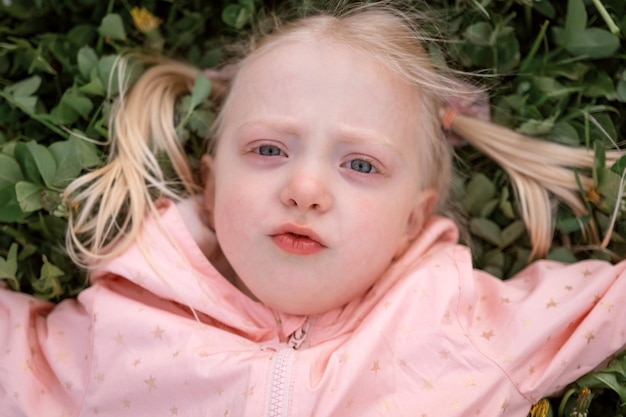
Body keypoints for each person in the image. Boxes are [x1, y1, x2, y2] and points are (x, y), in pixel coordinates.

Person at [1, 2, 625, 416]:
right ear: (212, 190)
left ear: (412, 221)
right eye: (269, 148)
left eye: (360, 165)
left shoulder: (466, 326)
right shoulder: (113, 330)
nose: (305, 188)